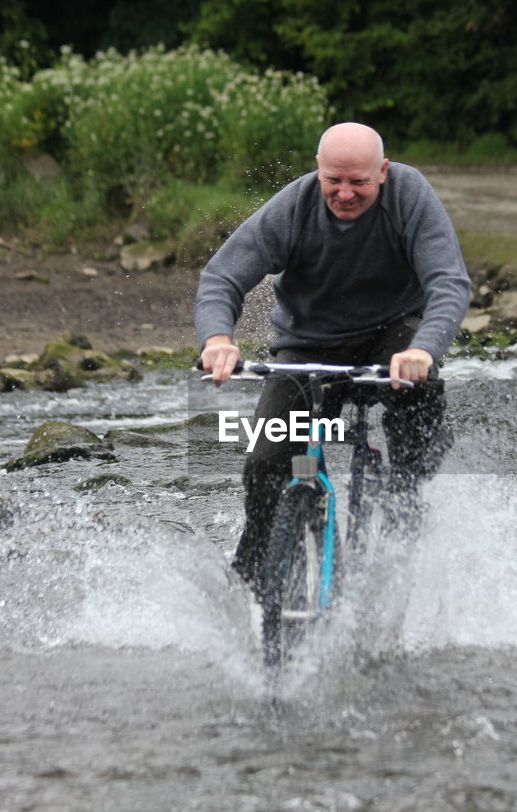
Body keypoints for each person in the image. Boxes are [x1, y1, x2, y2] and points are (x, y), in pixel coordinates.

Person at [195, 121, 471, 589]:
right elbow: (222, 277)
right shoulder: (295, 205)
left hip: (392, 335)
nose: (344, 194)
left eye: (359, 182)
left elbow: (448, 281)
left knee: (419, 398)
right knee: (264, 462)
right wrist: (217, 339)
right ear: (317, 171)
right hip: (306, 345)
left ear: (382, 172)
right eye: (333, 181)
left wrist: (424, 348)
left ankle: (406, 494)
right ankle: (257, 572)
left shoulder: (409, 195)